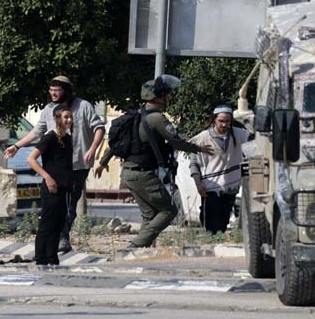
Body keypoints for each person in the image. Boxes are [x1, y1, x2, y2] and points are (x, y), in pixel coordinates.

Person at [94, 75, 213, 248]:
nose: (170, 98)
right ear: (157, 96)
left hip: (129, 173)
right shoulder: (157, 118)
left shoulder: (135, 115)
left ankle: (141, 249)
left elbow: (116, 144)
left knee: (150, 215)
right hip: (143, 174)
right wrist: (199, 148)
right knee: (169, 210)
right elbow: (177, 141)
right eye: (167, 94)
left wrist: (103, 162)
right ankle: (136, 245)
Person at [4, 76, 104, 253]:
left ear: (66, 90)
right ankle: (51, 239)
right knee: (53, 204)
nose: (53, 93)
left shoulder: (83, 106)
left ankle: (62, 237)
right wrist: (17, 146)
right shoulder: (48, 109)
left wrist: (93, 149)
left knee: (70, 203)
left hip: (78, 164)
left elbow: (99, 128)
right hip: (54, 167)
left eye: (57, 90)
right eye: (51, 90)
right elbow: (37, 131)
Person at [189, 105, 250, 234]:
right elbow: (194, 163)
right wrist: (198, 183)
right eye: (221, 121)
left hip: (230, 187)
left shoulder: (239, 134)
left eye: (227, 121)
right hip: (210, 187)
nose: (224, 124)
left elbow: (255, 140)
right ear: (214, 120)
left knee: (223, 222)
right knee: (211, 223)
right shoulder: (203, 137)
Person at [27, 106, 74, 265]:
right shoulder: (50, 138)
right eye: (65, 117)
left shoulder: (67, 139)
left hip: (64, 188)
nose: (68, 120)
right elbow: (31, 159)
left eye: (69, 117)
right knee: (47, 223)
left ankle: (52, 256)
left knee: (58, 223)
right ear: (57, 119)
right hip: (51, 187)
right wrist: (47, 177)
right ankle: (41, 257)